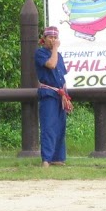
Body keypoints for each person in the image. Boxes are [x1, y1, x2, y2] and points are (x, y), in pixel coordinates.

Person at [35, 26, 73, 167]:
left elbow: (61, 75)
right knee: (48, 126)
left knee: (60, 127)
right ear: (44, 39)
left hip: (60, 94)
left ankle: (57, 157)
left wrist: (65, 95)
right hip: (48, 94)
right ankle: (46, 159)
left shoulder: (59, 56)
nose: (53, 40)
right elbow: (51, 65)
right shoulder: (40, 53)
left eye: (55, 37)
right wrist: (55, 49)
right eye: (50, 37)